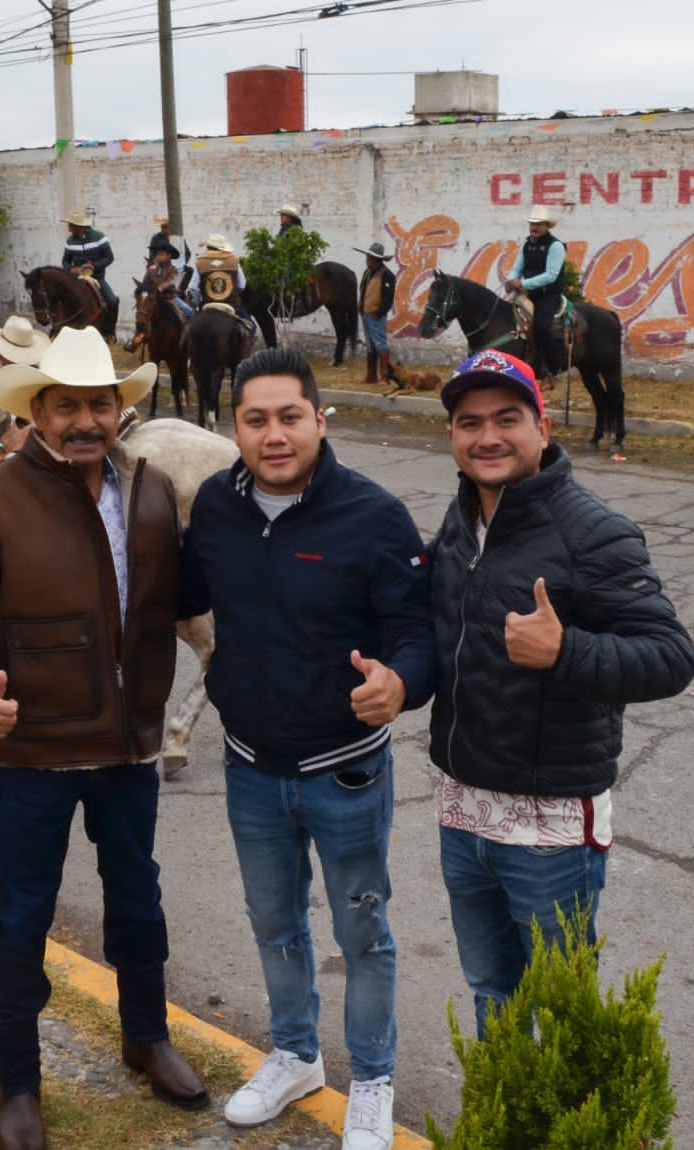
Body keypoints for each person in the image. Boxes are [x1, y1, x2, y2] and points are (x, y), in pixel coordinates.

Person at [0, 326, 208, 1150]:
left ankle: (145, 1037)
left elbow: (181, 597)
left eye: (101, 403)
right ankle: (19, 1086)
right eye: (68, 405)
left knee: (138, 902)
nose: (87, 420)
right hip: (35, 754)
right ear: (39, 411)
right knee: (21, 917)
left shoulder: (153, 489)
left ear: (120, 408)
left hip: (129, 749)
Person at [181, 346, 435, 1150]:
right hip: (251, 767)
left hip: (346, 772)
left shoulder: (374, 516)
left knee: (363, 931)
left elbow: (417, 632)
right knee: (274, 923)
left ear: (320, 421)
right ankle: (295, 1055)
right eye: (256, 420)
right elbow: (176, 595)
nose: (275, 435)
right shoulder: (217, 511)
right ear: (236, 429)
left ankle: (372, 1077)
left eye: (290, 416)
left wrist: (400, 681)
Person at [428, 349, 694, 1038]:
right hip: (463, 810)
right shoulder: (461, 524)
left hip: (549, 828)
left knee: (561, 1009)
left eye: (507, 419)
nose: (488, 436)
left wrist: (565, 652)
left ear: (542, 429)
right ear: (453, 437)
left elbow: (670, 657)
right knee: (492, 991)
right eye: (469, 422)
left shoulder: (592, 530)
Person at [503, 205, 569, 385]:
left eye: (539, 224)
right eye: (532, 224)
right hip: (529, 294)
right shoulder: (528, 245)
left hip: (548, 296)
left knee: (541, 327)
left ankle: (552, 371)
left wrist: (523, 284)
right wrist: (510, 281)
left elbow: (551, 275)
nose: (534, 227)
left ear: (547, 225)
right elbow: (517, 268)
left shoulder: (555, 246)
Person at [61, 209, 117, 325]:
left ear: (79, 227)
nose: (69, 228)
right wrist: (71, 269)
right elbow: (65, 261)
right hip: (77, 279)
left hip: (97, 278)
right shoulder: (69, 241)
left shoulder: (99, 237)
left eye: (71, 225)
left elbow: (109, 257)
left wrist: (94, 266)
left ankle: (110, 332)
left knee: (113, 302)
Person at [354, 240, 398, 384]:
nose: (367, 260)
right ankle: (371, 376)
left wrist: (379, 313)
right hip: (366, 314)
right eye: (367, 257)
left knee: (380, 345)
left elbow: (388, 298)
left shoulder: (387, 275)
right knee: (370, 345)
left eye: (370, 258)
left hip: (376, 315)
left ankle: (385, 377)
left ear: (377, 260)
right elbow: (363, 290)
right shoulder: (368, 273)